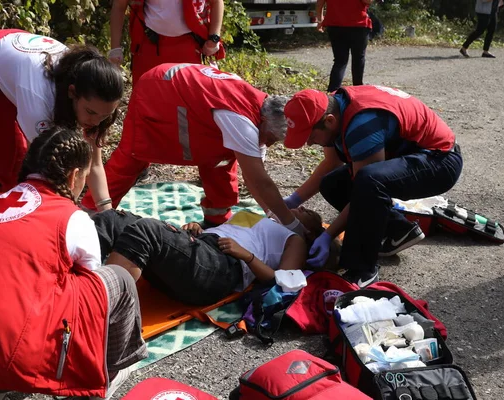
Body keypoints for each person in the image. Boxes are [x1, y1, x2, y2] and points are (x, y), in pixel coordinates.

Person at [0, 128, 147, 400]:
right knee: (117, 279)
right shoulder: (71, 218)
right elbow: (90, 297)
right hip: (13, 361)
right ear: (75, 176)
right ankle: (105, 378)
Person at [81, 62, 306, 236]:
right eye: (271, 139)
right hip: (158, 90)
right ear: (265, 122)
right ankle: (90, 214)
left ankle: (216, 220)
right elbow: (259, 181)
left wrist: (273, 214)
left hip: (184, 92)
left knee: (222, 159)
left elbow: (256, 176)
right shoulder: (242, 121)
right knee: (135, 153)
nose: (268, 144)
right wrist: (290, 223)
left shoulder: (261, 112)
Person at [281, 86, 463, 287]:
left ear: (329, 121)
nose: (309, 144)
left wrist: (328, 235)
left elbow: (365, 187)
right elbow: (331, 164)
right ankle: (398, 229)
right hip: (411, 154)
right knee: (332, 184)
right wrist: (293, 200)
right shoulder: (329, 107)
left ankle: (362, 269)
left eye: (311, 137)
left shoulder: (362, 125)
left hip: (441, 161)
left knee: (369, 181)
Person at [0, 29, 123, 212]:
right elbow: (44, 168)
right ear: (72, 92)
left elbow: (95, 162)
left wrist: (107, 212)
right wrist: (66, 213)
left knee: (11, 164)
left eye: (105, 116)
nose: (96, 122)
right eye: (91, 112)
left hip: (16, 65)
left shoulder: (92, 96)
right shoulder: (40, 98)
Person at [91, 206, 325, 306]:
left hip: (222, 267)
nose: (302, 208)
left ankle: (100, 308)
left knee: (146, 230)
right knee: (113, 219)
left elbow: (281, 282)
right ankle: (63, 280)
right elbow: (225, 231)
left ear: (311, 232)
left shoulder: (296, 239)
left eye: (308, 212)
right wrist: (198, 229)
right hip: (203, 247)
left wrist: (247, 257)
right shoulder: (258, 217)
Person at [109, 0, 225, 86]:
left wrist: (213, 39)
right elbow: (119, 6)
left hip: (189, 46)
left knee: (187, 102)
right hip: (149, 46)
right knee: (145, 100)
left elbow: (216, 2)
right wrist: (115, 50)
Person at [316, 0, 373, 90]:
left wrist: (320, 19)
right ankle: (358, 89)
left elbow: (320, 3)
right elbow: (368, 1)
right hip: (358, 25)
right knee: (358, 59)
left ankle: (332, 91)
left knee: (340, 61)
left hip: (335, 25)